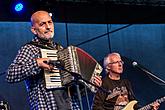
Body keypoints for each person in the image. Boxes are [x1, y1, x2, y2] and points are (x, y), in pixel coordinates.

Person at [6, 10, 102, 110]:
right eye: (42, 24)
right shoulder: (29, 49)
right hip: (47, 106)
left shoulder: (61, 50)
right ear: (34, 30)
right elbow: (10, 75)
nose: (48, 27)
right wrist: (37, 63)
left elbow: (74, 92)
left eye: (50, 22)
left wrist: (90, 86)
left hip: (71, 106)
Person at [92, 52, 160, 110]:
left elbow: (134, 104)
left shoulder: (126, 83)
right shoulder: (103, 83)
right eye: (116, 62)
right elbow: (96, 107)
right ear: (108, 67)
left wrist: (150, 108)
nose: (120, 64)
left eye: (121, 61)